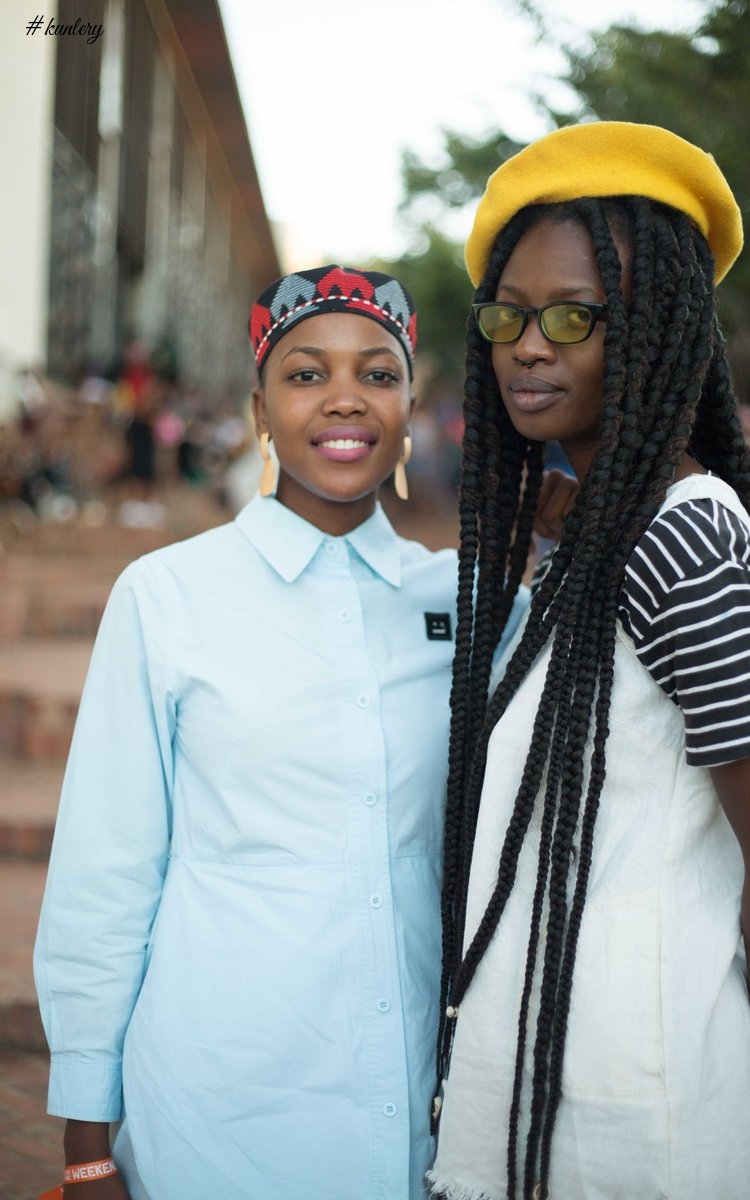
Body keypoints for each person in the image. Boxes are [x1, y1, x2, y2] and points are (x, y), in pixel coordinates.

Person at [33, 265, 571, 1200]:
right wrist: (87, 1142)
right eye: (306, 374)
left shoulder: (469, 602)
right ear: (260, 408)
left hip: (413, 1098)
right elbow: (106, 872)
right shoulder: (167, 599)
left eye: (378, 373)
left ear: (411, 408)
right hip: (215, 1099)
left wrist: (582, 519)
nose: (345, 400)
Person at [428, 122, 750, 1200]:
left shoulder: (680, 533)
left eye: (574, 317)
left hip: (645, 1118)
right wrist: (564, 514)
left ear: (655, 335)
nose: (528, 346)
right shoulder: (609, 527)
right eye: (508, 315)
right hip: (543, 1093)